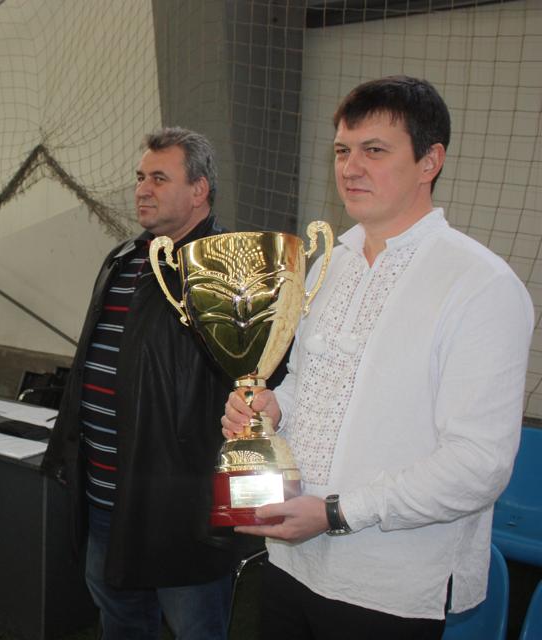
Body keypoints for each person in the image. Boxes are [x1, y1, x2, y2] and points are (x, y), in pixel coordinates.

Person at [222, 76, 534, 639]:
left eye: (374, 150)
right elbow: (303, 381)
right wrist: (271, 408)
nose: (350, 167)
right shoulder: (327, 266)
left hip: (389, 584)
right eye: (342, 150)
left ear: (429, 161)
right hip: (291, 558)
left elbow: (479, 464)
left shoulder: (480, 284)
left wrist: (337, 512)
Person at [42, 127, 254, 639]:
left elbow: (250, 385)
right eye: (141, 177)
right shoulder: (122, 259)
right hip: (105, 494)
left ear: (199, 190)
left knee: (194, 627)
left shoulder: (229, 270)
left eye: (159, 178)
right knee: (119, 619)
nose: (142, 189)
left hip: (179, 509)